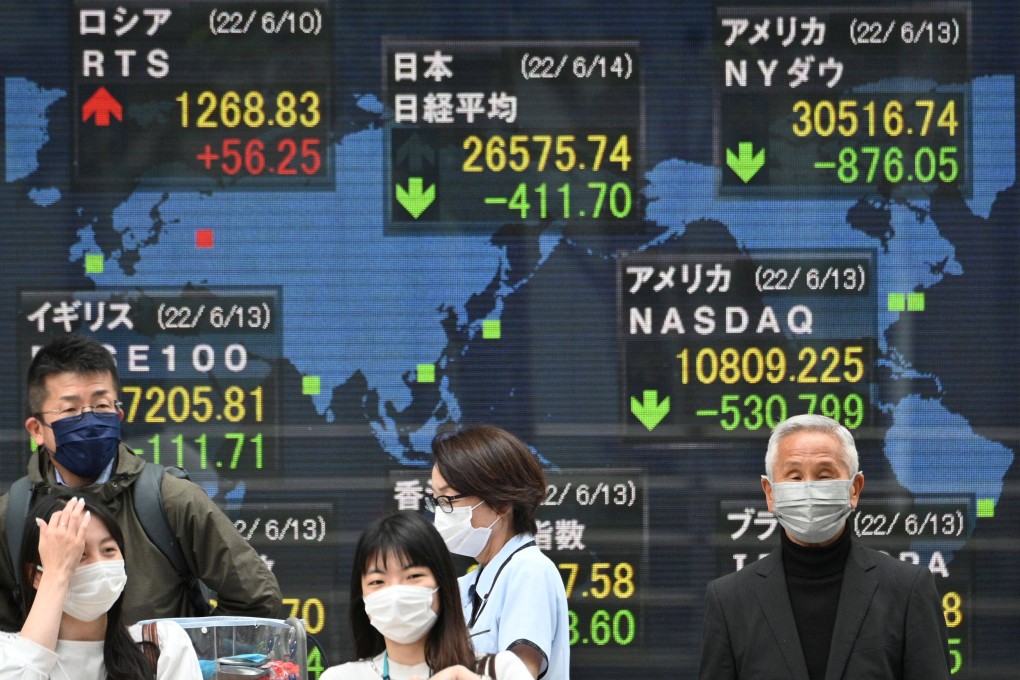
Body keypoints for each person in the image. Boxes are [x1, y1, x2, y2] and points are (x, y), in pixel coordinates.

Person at [0, 334, 282, 630]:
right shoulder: (13, 518)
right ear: (36, 429)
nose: (89, 420)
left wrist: (190, 659)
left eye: (101, 407)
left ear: (119, 415)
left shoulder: (172, 500)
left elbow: (257, 602)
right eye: (70, 410)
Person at [698, 414, 952, 680]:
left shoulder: (907, 590)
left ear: (855, 488)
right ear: (770, 492)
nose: (809, 488)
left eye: (824, 475)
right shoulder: (729, 600)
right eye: (794, 476)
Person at [0, 492, 203, 679]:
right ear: (36, 575)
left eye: (108, 549)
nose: (100, 565)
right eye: (78, 555)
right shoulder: (9, 655)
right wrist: (56, 575)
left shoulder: (161, 646)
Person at [321, 511, 533, 680]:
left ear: (443, 586)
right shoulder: (339, 677)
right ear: (363, 598)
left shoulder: (500, 671)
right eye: (377, 581)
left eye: (413, 576)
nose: (395, 592)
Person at [428, 425, 568, 680]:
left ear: (501, 503)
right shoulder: (466, 587)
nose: (440, 511)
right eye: (436, 499)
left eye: (449, 499)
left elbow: (519, 674)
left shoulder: (529, 571)